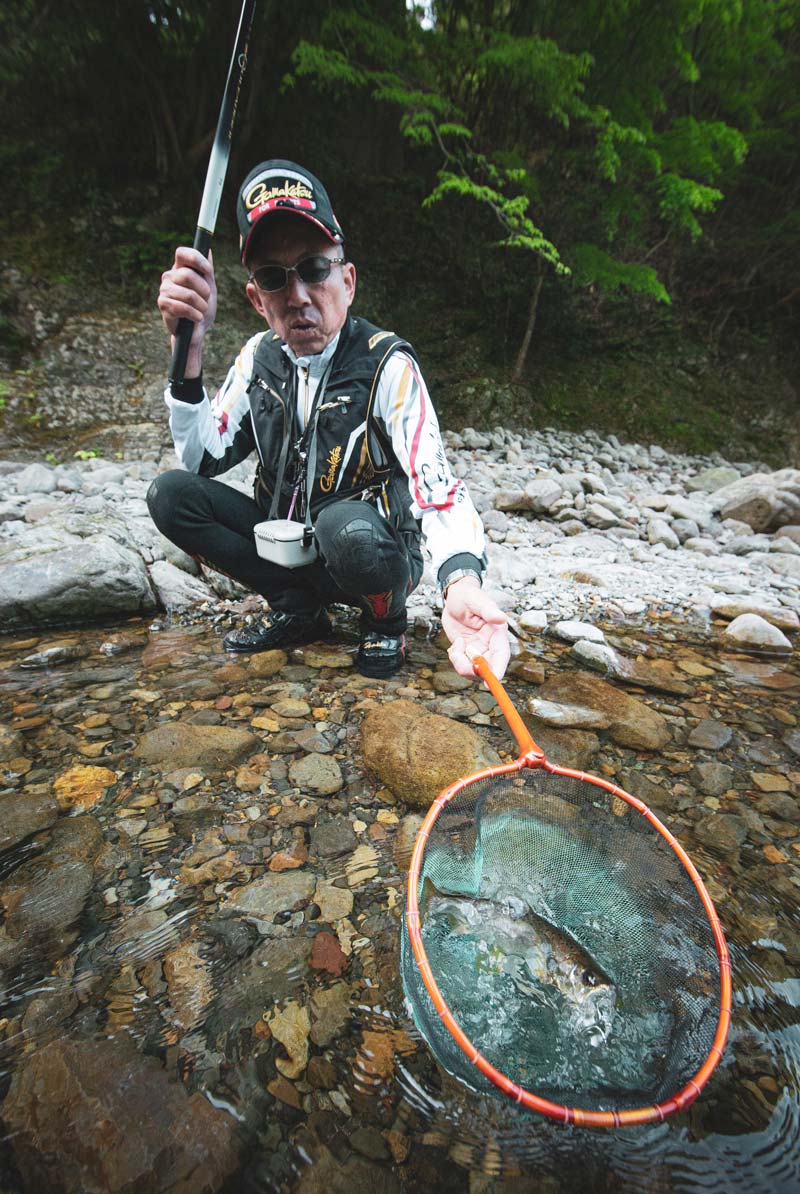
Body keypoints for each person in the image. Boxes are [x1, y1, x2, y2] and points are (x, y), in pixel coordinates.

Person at [149, 159, 509, 681]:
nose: (298, 296)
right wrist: (190, 350)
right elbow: (203, 457)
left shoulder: (389, 366)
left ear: (348, 279)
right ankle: (298, 610)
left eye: (315, 269)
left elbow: (437, 486)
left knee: (343, 525)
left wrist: (460, 582)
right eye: (274, 278)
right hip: (287, 550)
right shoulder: (257, 358)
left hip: (374, 556)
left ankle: (386, 624)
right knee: (171, 494)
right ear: (255, 298)